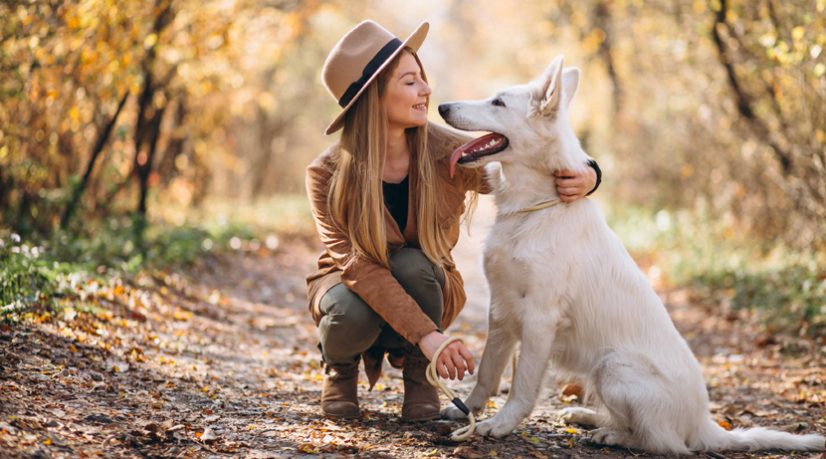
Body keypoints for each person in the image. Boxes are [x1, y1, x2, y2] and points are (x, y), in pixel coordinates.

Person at [305, 20, 600, 421]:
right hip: (353, 287)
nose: (426, 89)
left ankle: (418, 375)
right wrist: (431, 337)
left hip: (423, 283)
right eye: (411, 81)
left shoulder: (448, 150)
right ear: (373, 97)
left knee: (415, 265)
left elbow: (531, 153)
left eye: (422, 78)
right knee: (346, 309)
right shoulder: (325, 174)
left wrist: (589, 173)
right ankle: (340, 370)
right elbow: (358, 267)